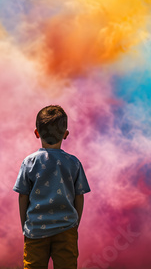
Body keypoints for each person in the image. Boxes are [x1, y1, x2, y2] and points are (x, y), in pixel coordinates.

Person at [13, 105, 91, 269]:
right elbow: (79, 195)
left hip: (35, 229)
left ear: (37, 133)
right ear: (65, 134)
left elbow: (23, 196)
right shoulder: (73, 163)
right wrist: (75, 223)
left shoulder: (29, 162)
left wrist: (24, 225)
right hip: (66, 228)